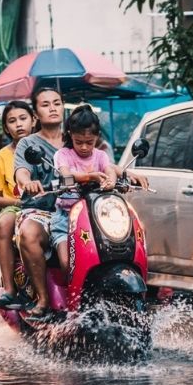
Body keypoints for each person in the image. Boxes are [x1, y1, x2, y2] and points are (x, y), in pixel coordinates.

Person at [13, 88, 65, 320]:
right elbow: (21, 172)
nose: (52, 108)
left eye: (57, 103)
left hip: (75, 210)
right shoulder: (28, 144)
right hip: (40, 210)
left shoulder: (78, 139)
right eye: (45, 105)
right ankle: (43, 299)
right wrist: (28, 182)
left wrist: (124, 174)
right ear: (35, 115)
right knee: (28, 234)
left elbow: (102, 163)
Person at [51, 105, 116, 270]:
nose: (85, 147)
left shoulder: (101, 155)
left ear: (97, 137)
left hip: (95, 217)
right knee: (67, 264)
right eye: (79, 142)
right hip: (65, 218)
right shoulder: (63, 155)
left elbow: (110, 170)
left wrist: (112, 182)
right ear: (70, 135)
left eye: (90, 142)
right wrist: (90, 176)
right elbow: (65, 174)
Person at [0, 100, 35, 310]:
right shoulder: (1, 157)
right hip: (16, 208)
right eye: (12, 121)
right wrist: (20, 202)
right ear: (6, 128)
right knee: (5, 221)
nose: (19, 125)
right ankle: (9, 288)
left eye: (23, 118)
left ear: (33, 120)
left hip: (51, 206)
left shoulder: (47, 146)